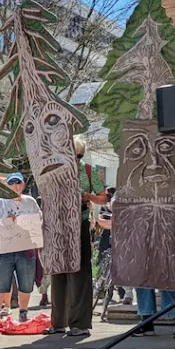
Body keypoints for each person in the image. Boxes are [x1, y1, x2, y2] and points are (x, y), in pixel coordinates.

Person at [46, 137, 106, 338]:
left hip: (79, 222)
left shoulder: (88, 170)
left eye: (79, 155)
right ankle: (58, 322)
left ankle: (79, 323)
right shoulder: (55, 170)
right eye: (72, 154)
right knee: (58, 270)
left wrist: (87, 197)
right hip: (58, 222)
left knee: (79, 272)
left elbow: (103, 197)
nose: (76, 158)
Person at [0, 173, 41, 323]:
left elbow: (39, 219)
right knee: (0, 282)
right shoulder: (1, 203)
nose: (16, 186)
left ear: (23, 184)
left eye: (18, 183)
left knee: (26, 282)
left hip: (26, 249)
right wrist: (7, 222)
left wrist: (25, 222)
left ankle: (23, 311)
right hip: (5, 250)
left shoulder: (30, 201)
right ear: (7, 185)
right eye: (12, 183)